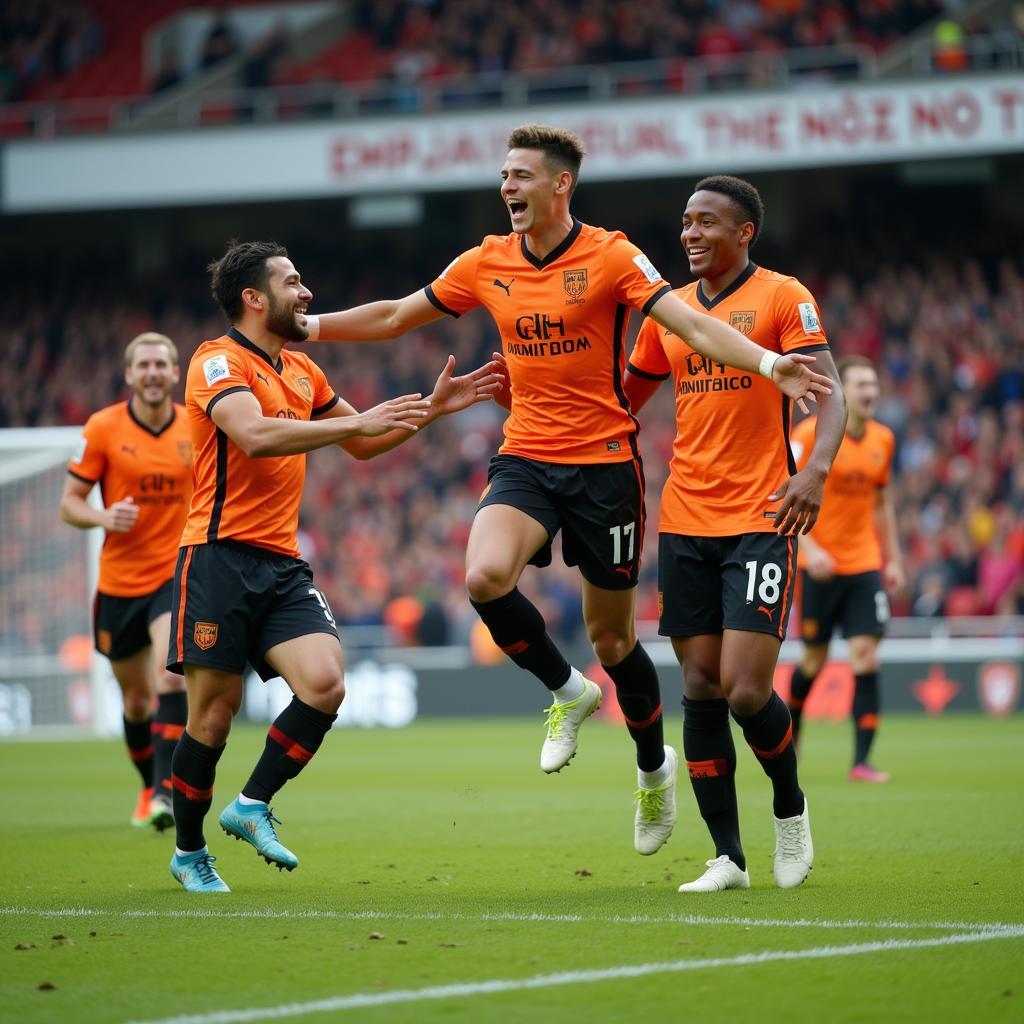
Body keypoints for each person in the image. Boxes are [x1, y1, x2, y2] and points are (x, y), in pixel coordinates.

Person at [303, 125, 831, 857]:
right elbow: (396, 314)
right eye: (503, 176)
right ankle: (566, 691)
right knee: (484, 575)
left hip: (606, 468)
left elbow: (690, 325)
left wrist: (771, 365)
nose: (507, 187)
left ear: (560, 185)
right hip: (525, 454)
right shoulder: (486, 261)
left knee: (615, 639)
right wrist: (306, 326)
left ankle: (653, 770)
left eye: (520, 175)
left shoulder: (612, 255)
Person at [165, 240, 501, 893]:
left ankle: (252, 804)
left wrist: (432, 409)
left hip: (282, 563)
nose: (307, 292)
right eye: (293, 282)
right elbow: (256, 435)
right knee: (212, 716)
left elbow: (366, 443)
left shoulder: (301, 370)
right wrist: (358, 422)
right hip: (217, 557)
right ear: (254, 298)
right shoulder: (215, 361)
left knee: (325, 685)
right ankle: (188, 850)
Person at [624, 174, 846, 892]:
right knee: (698, 684)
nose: (690, 233)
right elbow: (625, 399)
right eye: (685, 222)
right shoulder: (670, 312)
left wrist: (812, 471)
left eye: (707, 223)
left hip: (761, 515)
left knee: (746, 690)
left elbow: (829, 391)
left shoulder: (784, 296)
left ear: (744, 232)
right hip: (686, 519)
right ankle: (728, 857)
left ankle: (790, 809)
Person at [61, 333, 192, 832]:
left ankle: (166, 791)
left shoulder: (195, 426)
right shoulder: (102, 428)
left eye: (162, 364)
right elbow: (68, 504)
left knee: (170, 676)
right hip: (119, 583)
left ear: (176, 373)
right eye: (145, 365)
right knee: (136, 701)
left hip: (173, 574)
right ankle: (147, 786)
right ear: (130, 374)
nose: (154, 372)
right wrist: (101, 516)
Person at [788, 355, 905, 782]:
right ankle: (791, 740)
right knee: (813, 662)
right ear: (842, 391)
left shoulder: (883, 441)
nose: (870, 393)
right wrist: (809, 547)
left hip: (864, 565)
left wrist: (893, 559)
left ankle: (861, 762)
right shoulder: (807, 435)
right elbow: (782, 493)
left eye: (873, 385)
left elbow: (881, 502)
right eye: (861, 385)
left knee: (865, 656)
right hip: (818, 567)